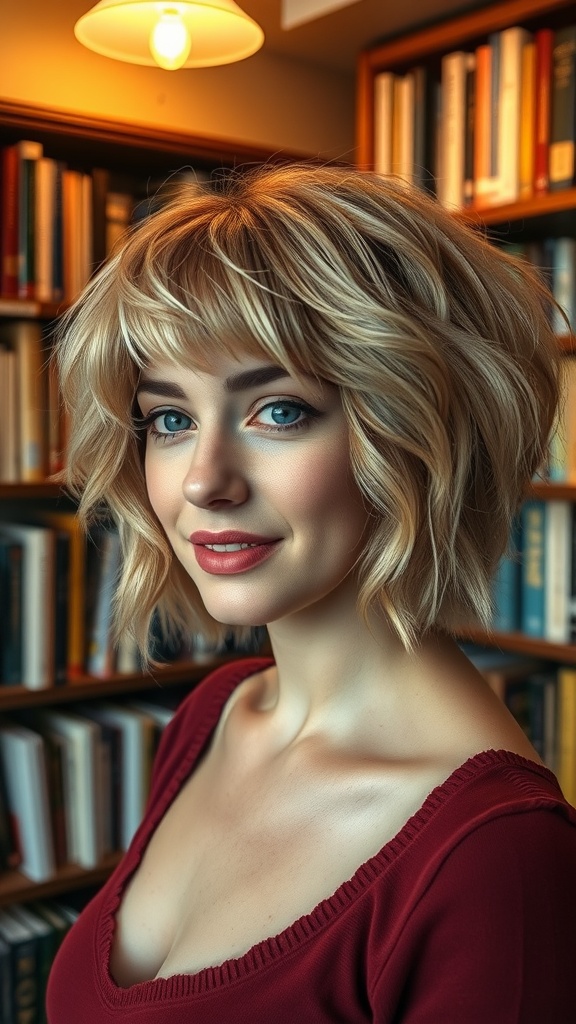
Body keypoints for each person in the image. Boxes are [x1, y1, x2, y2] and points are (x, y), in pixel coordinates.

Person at [46, 163, 576, 1023]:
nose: (203, 483)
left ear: (415, 427)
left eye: (280, 410)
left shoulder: (497, 863)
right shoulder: (213, 718)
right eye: (171, 419)